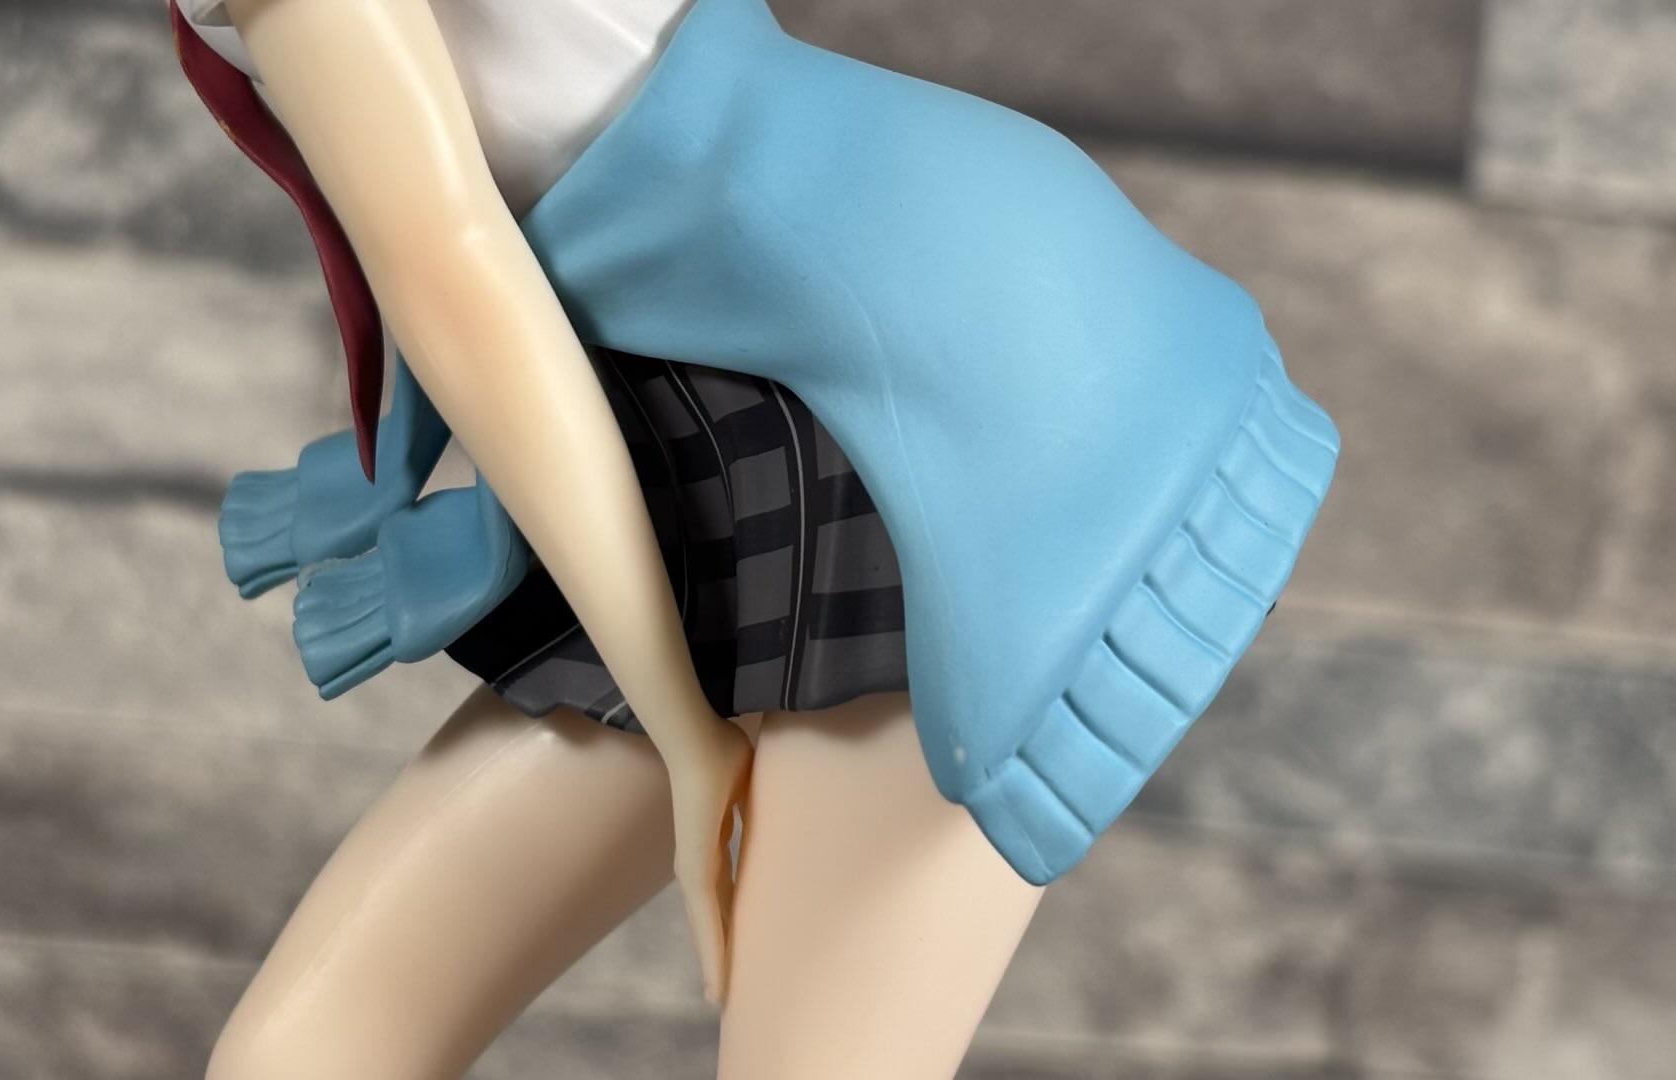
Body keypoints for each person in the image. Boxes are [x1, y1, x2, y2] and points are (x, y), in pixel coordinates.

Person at [167, 0, 1340, 1076]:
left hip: (926, 396)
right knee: (307, 1049)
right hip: (739, 412)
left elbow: (462, 276)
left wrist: (685, 733)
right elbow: (470, 217)